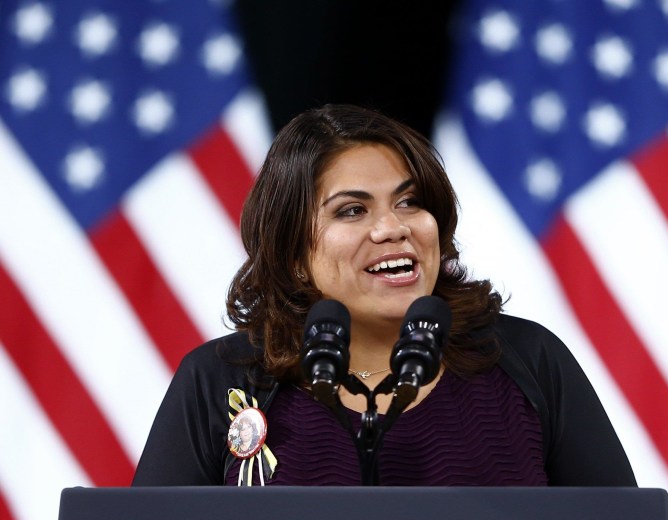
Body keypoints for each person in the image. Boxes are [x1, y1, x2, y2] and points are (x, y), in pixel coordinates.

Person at [132, 104, 637, 487]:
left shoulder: (526, 359)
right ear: (291, 254)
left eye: (410, 201)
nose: (393, 228)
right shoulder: (220, 378)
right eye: (352, 211)